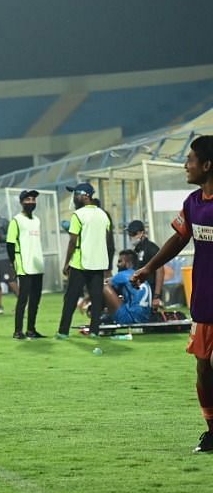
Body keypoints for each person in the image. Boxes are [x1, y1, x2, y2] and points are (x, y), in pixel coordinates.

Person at [132, 135, 213, 452]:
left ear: (207, 165)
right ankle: (211, 431)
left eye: (191, 159)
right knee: (203, 367)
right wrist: (149, 267)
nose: (186, 164)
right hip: (204, 300)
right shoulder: (193, 202)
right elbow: (178, 240)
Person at [56, 182, 114, 339]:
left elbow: (73, 241)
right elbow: (108, 240)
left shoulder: (78, 215)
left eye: (76, 194)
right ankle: (94, 331)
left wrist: (67, 262)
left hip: (80, 263)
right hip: (98, 263)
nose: (74, 198)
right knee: (96, 299)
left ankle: (63, 331)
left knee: (71, 298)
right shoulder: (103, 215)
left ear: (85, 196)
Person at [6, 189, 46, 339]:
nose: (31, 202)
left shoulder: (37, 220)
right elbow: (10, 244)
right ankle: (18, 331)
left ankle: (31, 329)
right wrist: (13, 263)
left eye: (33, 200)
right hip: (24, 265)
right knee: (23, 299)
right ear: (22, 202)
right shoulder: (16, 221)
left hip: (37, 265)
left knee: (35, 300)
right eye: (28, 200)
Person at [104, 250, 152, 325]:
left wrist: (86, 300)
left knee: (104, 287)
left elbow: (102, 284)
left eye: (120, 261)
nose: (117, 265)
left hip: (130, 319)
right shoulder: (141, 277)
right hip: (145, 319)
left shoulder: (122, 275)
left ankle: (99, 317)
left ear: (128, 263)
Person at [127, 220, 161, 299]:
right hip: (139, 290)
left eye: (133, 234)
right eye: (129, 234)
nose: (131, 237)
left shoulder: (151, 248)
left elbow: (160, 270)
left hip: (150, 290)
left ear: (141, 233)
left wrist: (157, 295)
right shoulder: (137, 249)